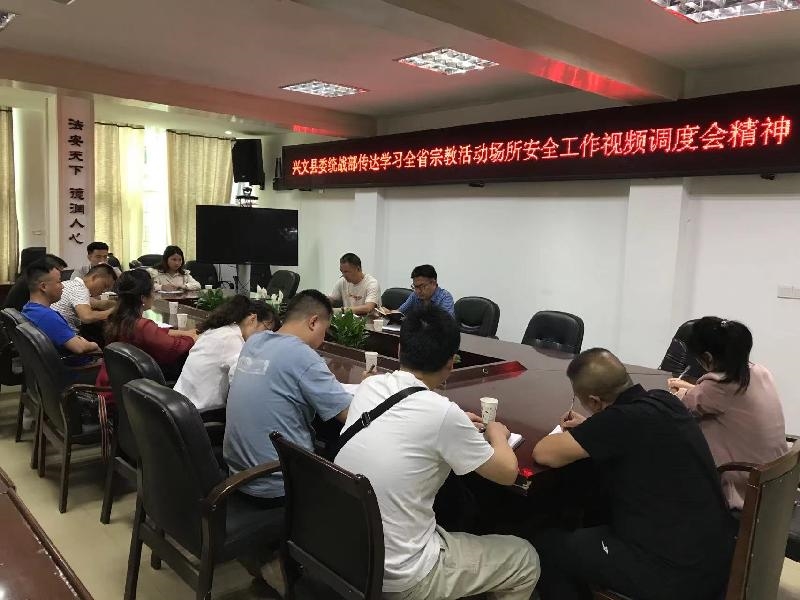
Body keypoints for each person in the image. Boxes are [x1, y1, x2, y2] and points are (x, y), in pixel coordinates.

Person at [336, 305, 539, 599]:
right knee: (526, 559)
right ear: (451, 363)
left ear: (400, 348)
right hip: (401, 577)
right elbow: (508, 473)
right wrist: (497, 433)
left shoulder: (370, 385)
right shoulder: (443, 414)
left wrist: (455, 424)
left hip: (348, 553)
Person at [531, 348, 736, 600]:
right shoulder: (664, 400)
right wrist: (592, 430)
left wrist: (596, 429)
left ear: (594, 401)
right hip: (718, 556)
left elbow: (544, 453)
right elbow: (632, 434)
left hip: (673, 572)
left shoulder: (618, 422)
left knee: (548, 547)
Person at [223, 290, 352, 506]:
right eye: (325, 331)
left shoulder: (255, 341)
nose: (323, 340)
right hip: (279, 484)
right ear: (313, 322)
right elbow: (349, 415)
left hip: (237, 477)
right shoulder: (303, 355)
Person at [668, 316, 788, 510]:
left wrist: (680, 392)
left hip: (742, 488)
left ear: (707, 357)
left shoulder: (717, 386)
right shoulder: (759, 372)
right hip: (775, 482)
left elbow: (681, 406)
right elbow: (719, 398)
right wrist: (691, 388)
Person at [174, 296, 277, 418]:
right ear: (252, 319)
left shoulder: (219, 331)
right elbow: (243, 382)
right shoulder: (232, 338)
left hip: (179, 406)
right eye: (267, 330)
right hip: (200, 415)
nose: (266, 337)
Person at [96, 270, 196, 391]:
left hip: (113, 385)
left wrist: (184, 333)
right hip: (132, 392)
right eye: (152, 291)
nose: (154, 296)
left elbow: (157, 332)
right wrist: (192, 338)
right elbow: (175, 348)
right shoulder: (141, 326)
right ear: (143, 298)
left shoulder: (119, 318)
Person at [21, 261, 100, 356]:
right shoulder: (47, 316)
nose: (62, 286)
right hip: (79, 364)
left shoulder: (29, 308)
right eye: (59, 282)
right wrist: (94, 345)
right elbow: (79, 348)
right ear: (43, 286)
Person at [52, 264, 117, 333]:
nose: (104, 291)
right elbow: (86, 317)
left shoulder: (69, 283)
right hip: (66, 335)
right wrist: (112, 311)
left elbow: (94, 302)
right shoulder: (81, 289)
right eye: (105, 286)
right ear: (95, 277)